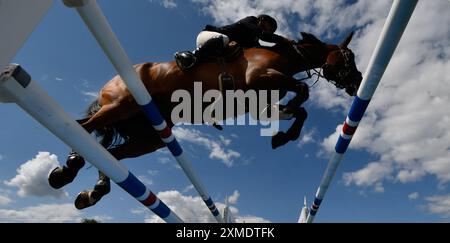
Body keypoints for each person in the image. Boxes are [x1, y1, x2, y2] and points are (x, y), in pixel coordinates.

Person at [175, 14, 295, 70]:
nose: (268, 31)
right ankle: (191, 56)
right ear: (262, 20)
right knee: (226, 39)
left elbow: (263, 51)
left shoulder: (254, 40)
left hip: (219, 50)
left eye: (270, 31)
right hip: (209, 37)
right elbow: (263, 35)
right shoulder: (250, 20)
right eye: (269, 27)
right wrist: (282, 39)